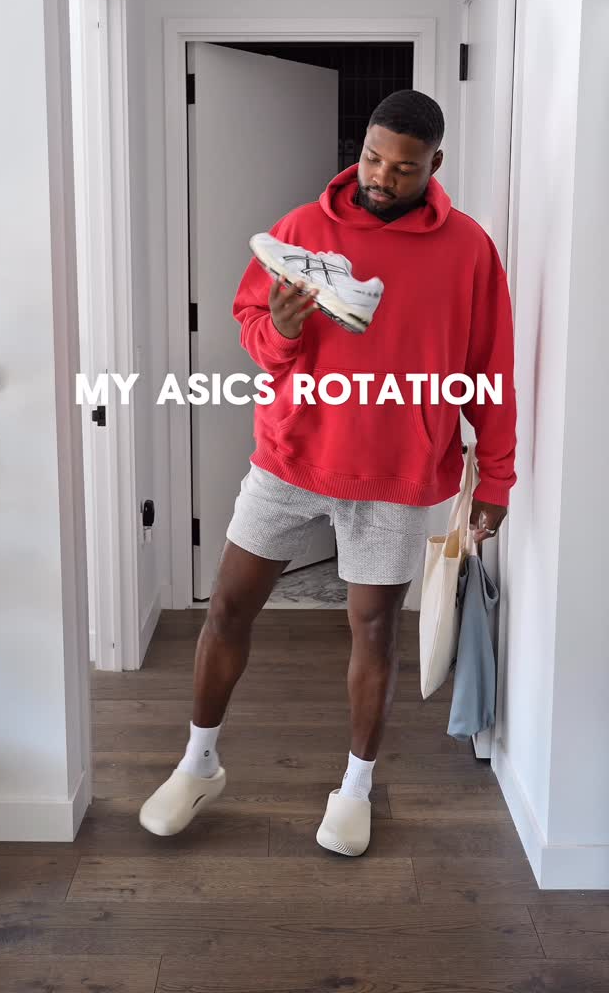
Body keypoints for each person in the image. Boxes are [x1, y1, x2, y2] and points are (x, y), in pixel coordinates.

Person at [139, 89, 517, 856]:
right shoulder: (301, 230)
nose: (382, 176)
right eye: (373, 158)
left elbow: (491, 369)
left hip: (398, 474)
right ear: (362, 148)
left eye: (404, 168)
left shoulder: (470, 248)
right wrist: (279, 329)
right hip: (291, 459)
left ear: (435, 165)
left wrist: (497, 482)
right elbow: (252, 328)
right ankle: (198, 764)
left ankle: (355, 789)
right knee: (228, 609)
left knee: (374, 632)